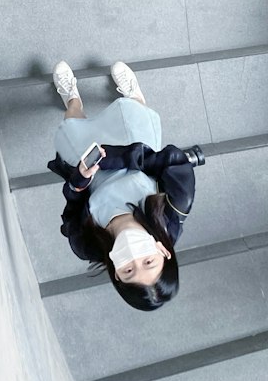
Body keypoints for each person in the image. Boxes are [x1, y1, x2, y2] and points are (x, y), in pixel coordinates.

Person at [46, 60, 204, 312]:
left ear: (117, 274)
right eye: (148, 261)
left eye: (129, 269)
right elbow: (174, 162)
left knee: (73, 126)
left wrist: (79, 182)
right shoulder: (174, 211)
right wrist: (114, 157)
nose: (134, 257)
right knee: (132, 113)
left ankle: (72, 99)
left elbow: (70, 215)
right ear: (163, 251)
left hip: (89, 169)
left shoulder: (87, 246)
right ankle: (134, 96)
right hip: (132, 150)